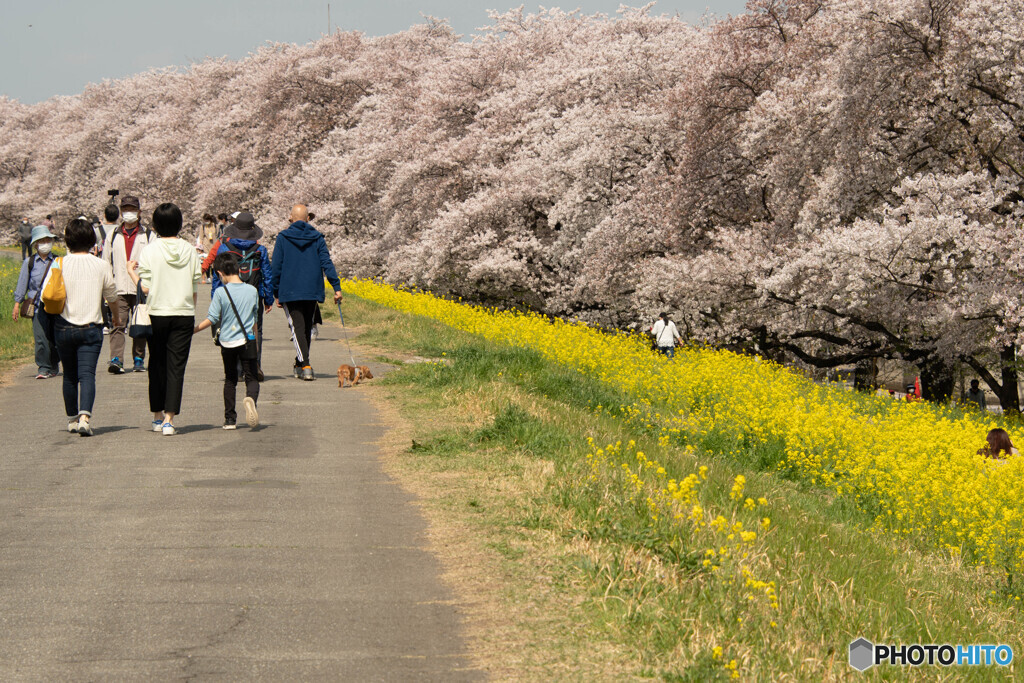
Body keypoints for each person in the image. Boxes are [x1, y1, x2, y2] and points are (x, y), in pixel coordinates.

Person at [128, 203, 202, 436]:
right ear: (179, 223)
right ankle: (170, 419)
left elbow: (147, 288)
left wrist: (132, 272)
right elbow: (194, 287)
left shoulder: (150, 250)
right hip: (183, 313)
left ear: (156, 225)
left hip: (157, 312)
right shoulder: (190, 250)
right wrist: (189, 309)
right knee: (176, 367)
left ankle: (157, 416)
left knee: (157, 364)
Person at [49, 217, 120, 436]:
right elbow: (111, 296)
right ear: (91, 239)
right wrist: (116, 317)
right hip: (91, 327)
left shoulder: (59, 263)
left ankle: (71, 419)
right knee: (87, 374)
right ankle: (85, 418)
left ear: (68, 240)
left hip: (63, 326)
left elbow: (48, 294)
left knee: (70, 375)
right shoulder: (101, 265)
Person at [270, 203, 342, 381]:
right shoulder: (317, 237)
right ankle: (299, 362)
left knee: (298, 328)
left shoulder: (283, 238)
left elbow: (276, 267)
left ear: (290, 218)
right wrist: (336, 287)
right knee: (305, 328)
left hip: (290, 289)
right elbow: (327, 262)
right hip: (312, 289)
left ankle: (306, 365)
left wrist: (275, 291)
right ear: (308, 218)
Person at [194, 252, 260, 429]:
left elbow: (212, 318)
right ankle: (250, 400)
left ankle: (230, 419)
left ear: (220, 273)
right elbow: (255, 321)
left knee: (230, 379)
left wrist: (193, 330)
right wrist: (256, 343)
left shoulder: (221, 292)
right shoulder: (252, 291)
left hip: (228, 342)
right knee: (251, 378)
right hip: (247, 340)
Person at [210, 212, 273, 370]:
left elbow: (217, 274)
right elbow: (267, 275)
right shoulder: (260, 250)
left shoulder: (225, 248)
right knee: (255, 329)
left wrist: (215, 297)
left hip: (229, 295)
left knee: (231, 327)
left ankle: (235, 367)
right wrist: (268, 299)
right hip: (254, 294)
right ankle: (254, 365)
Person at [103, 195, 152, 373]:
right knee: (118, 323)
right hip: (119, 287)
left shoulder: (148, 235)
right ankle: (116, 359)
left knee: (140, 324)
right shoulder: (113, 235)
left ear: (139, 212)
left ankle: (139, 358)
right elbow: (106, 262)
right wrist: (107, 286)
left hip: (141, 286)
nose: (129, 213)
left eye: (132, 209)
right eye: (126, 210)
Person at [12, 225, 61, 379]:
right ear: (35, 244)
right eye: (42, 240)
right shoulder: (30, 262)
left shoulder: (58, 260)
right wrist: (17, 304)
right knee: (40, 338)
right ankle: (43, 367)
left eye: (48, 240)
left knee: (54, 338)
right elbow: (23, 283)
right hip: (37, 307)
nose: (45, 243)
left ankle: (53, 364)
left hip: (55, 306)